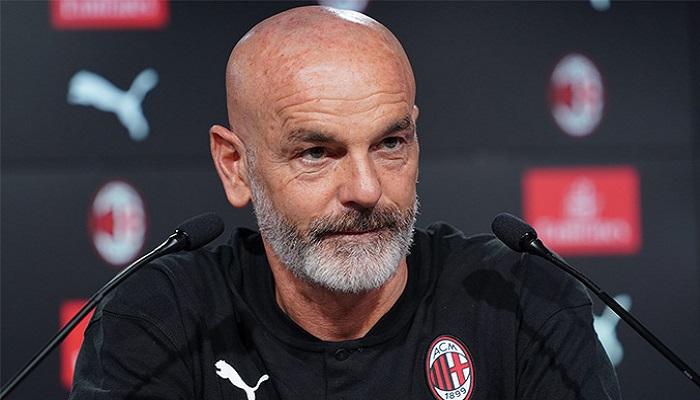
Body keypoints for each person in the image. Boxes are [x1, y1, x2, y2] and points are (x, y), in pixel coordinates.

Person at [69, 6, 620, 400]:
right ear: (236, 166)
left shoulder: (521, 301)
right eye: (316, 152)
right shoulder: (161, 318)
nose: (366, 189)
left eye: (390, 143)